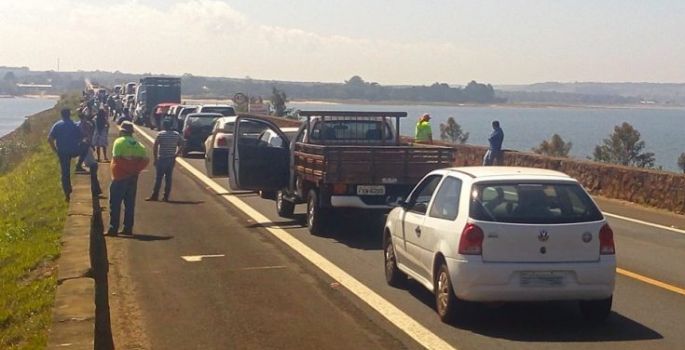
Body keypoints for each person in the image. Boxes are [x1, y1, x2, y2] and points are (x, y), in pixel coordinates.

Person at [108, 122, 149, 235]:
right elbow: (146, 160)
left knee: (115, 204)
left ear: (122, 131)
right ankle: (128, 228)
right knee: (129, 204)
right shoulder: (139, 145)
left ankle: (113, 228)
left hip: (120, 177)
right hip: (133, 178)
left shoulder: (119, 142)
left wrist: (126, 170)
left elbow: (116, 158)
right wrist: (135, 170)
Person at [48, 108, 82, 201]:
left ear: (62, 115)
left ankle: (67, 193)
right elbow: (81, 137)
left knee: (65, 173)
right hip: (74, 150)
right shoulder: (74, 125)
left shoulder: (57, 125)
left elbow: (50, 139)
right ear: (69, 114)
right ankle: (80, 164)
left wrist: (55, 150)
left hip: (62, 152)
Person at [146, 119, 183, 202]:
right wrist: (176, 154)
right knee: (168, 178)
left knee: (158, 178)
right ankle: (166, 196)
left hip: (162, 158)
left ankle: (155, 195)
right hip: (171, 159)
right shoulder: (176, 135)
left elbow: (155, 147)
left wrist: (155, 158)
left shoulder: (161, 134)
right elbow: (182, 144)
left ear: (164, 125)